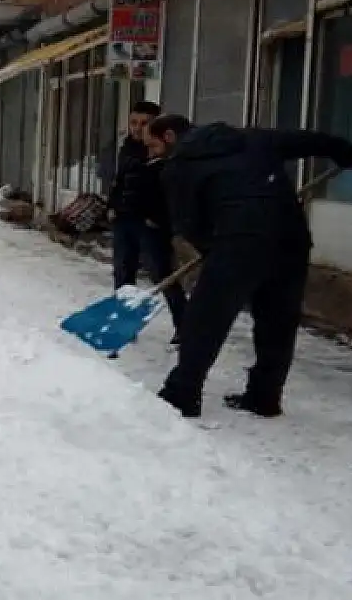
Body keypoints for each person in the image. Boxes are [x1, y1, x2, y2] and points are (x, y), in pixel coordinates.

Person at [145, 114, 352, 418]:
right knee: (278, 323)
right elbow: (315, 141)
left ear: (170, 137)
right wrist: (343, 152)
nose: (152, 154)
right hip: (289, 241)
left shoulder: (179, 167)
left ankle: (183, 393)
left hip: (237, 243)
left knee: (205, 320)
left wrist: (211, 247)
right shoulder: (253, 139)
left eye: (153, 147)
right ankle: (264, 396)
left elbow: (188, 222)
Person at [106, 101, 186, 347]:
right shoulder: (126, 149)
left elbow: (173, 193)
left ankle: (185, 328)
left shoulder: (165, 152)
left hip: (150, 224)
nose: (137, 129)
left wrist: (161, 220)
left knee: (163, 276)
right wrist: (112, 205)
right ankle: (124, 325)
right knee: (123, 273)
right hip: (124, 219)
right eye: (133, 123)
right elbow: (120, 181)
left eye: (144, 124)